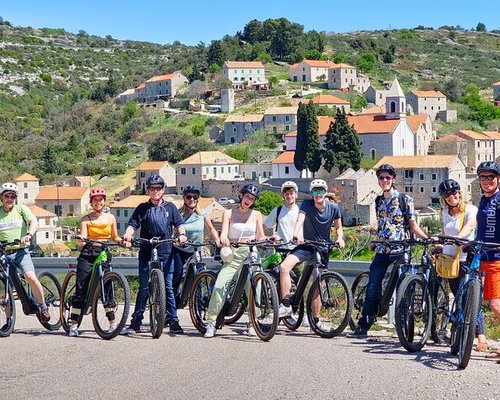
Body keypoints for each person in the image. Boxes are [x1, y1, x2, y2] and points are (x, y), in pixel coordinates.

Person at [350, 164, 428, 338]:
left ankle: (406, 327)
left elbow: (412, 225)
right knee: (372, 286)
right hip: (383, 250)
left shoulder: (404, 199)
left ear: (393, 180)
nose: (384, 181)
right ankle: (365, 324)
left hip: (401, 249)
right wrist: (375, 242)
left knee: (404, 288)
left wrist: (426, 238)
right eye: (381, 178)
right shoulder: (378, 201)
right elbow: (382, 225)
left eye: (387, 178)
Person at [122, 175, 187, 334]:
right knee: (144, 287)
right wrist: (128, 234)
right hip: (146, 251)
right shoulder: (142, 208)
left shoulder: (170, 207)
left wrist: (183, 235)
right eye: (152, 188)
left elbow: (179, 224)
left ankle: (173, 320)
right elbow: (132, 225)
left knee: (168, 287)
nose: (155, 191)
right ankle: (136, 321)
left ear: (163, 189)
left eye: (158, 188)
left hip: (166, 251)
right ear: (148, 190)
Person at [204, 183, 268, 338]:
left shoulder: (257, 215)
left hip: (251, 254)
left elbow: (260, 236)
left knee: (254, 289)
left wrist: (269, 238)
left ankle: (253, 322)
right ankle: (211, 322)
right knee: (220, 285)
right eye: (247, 196)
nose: (249, 200)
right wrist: (224, 239)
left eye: (252, 199)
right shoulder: (228, 213)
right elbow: (224, 232)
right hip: (234, 253)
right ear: (241, 196)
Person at [277, 179, 345, 324]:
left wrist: (340, 238)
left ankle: (315, 320)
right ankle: (286, 304)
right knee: (284, 267)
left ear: (325, 193)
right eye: (315, 191)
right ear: (311, 193)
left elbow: (338, 227)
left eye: (320, 191)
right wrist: (296, 234)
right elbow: (300, 220)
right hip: (306, 245)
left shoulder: (334, 208)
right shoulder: (307, 204)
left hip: (323, 248)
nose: (318, 194)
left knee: (317, 283)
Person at [437, 179, 488, 350]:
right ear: (443, 198)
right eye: (447, 195)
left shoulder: (470, 209)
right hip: (450, 261)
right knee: (458, 296)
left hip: (467, 258)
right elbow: (445, 232)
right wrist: (440, 244)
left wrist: (460, 238)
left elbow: (471, 225)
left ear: (459, 193)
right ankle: (458, 330)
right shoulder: (444, 212)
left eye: (453, 193)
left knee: (470, 298)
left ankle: (481, 337)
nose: (451, 197)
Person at [68, 188, 125, 337]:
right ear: (91, 202)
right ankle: (73, 324)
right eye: (95, 200)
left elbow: (115, 237)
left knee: (107, 288)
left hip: (104, 254)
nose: (98, 202)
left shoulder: (110, 218)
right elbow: (83, 238)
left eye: (101, 199)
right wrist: (81, 239)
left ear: (104, 201)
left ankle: (113, 324)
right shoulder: (86, 219)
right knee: (81, 289)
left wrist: (123, 241)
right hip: (88, 254)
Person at [0, 182, 50, 323]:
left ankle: (43, 306)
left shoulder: (21, 209)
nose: (10, 199)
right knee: (6, 283)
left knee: (30, 277)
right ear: (1, 198)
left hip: (21, 251)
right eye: (7, 196)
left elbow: (33, 221)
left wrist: (29, 234)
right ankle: (9, 320)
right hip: (4, 252)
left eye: (13, 196)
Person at [172, 185, 220, 303]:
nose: (192, 199)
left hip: (195, 250)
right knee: (177, 277)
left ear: (198, 199)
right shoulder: (178, 215)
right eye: (189, 197)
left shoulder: (202, 214)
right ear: (184, 198)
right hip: (180, 250)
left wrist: (217, 240)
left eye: (195, 197)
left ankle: (197, 304)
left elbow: (211, 229)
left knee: (198, 276)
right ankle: (172, 303)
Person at [475, 161, 500, 360]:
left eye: (490, 177)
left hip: (497, 259)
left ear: (498, 179)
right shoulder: (484, 200)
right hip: (482, 257)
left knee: (495, 305)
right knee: (478, 301)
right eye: (483, 177)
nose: (486, 181)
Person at [263, 181, 300, 246]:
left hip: (298, 249)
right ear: (283, 195)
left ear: (296, 195)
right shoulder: (277, 210)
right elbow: (264, 226)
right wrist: (268, 238)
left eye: (291, 193)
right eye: (286, 194)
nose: (289, 196)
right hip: (281, 249)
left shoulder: (301, 212)